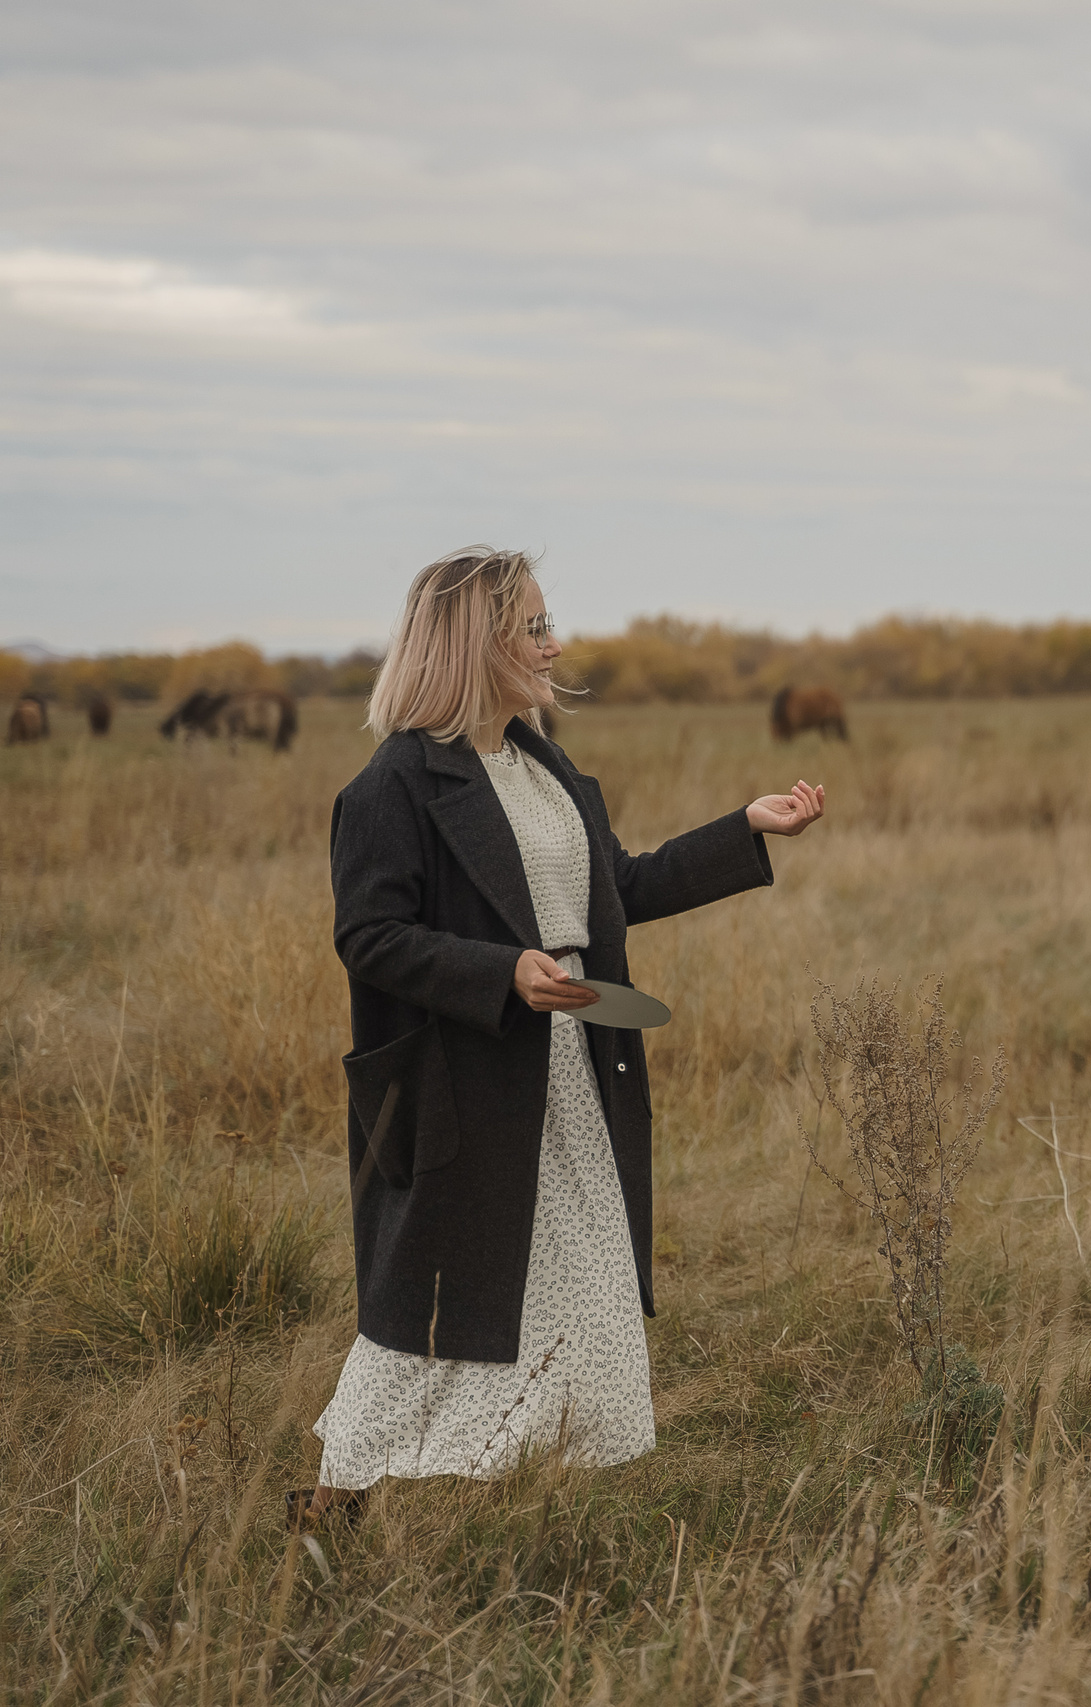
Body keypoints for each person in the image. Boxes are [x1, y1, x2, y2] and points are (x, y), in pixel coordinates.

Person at [294, 547, 823, 1525]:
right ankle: (334, 1506)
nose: (555, 642)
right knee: (430, 1316)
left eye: (548, 622)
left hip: (571, 1074)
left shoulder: (543, 766)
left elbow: (614, 888)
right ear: (474, 642)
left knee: (577, 1279)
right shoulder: (394, 787)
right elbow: (368, 936)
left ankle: (531, 1507)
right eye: (534, 626)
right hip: (464, 1084)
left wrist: (742, 830)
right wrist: (499, 973)